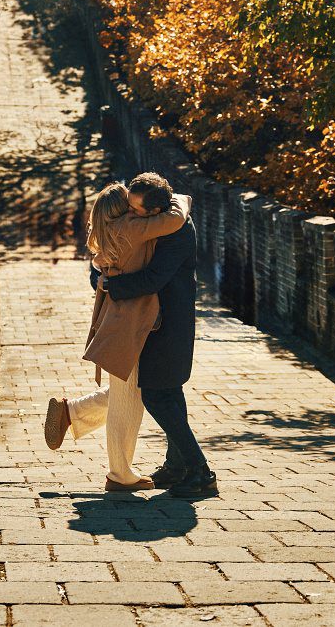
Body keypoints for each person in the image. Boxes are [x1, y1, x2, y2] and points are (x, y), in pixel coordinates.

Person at [42, 180, 191, 492]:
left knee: (131, 391)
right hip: (130, 322)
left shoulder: (106, 233)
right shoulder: (132, 228)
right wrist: (180, 199)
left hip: (119, 319)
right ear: (122, 212)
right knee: (128, 397)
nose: (135, 213)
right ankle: (119, 473)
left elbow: (97, 271)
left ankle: (72, 412)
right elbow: (175, 219)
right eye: (129, 208)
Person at [102, 173, 216, 498]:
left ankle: (201, 472)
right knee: (171, 394)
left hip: (170, 325)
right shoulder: (161, 221)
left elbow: (154, 278)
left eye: (135, 211)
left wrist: (112, 285)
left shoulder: (176, 232)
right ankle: (177, 466)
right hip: (155, 321)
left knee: (156, 395)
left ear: (155, 212)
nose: (129, 214)